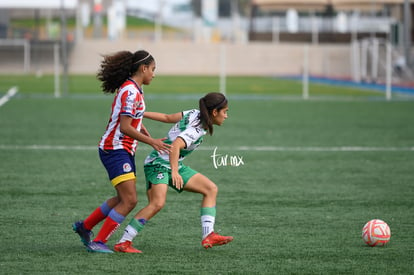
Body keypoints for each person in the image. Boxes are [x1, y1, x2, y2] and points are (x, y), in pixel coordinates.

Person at [72, 50, 171, 253]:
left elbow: (129, 119)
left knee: (121, 199)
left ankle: (85, 227)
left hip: (122, 150)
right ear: (143, 68)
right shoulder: (131, 91)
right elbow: (125, 127)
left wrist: (140, 125)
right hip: (115, 149)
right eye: (153, 69)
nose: (154, 74)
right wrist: (151, 141)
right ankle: (98, 241)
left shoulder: (134, 88)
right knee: (130, 200)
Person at [113, 92, 233, 253]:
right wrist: (175, 172)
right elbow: (176, 145)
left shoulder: (194, 113)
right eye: (225, 111)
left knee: (210, 189)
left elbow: (167, 117)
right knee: (157, 203)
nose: (226, 116)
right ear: (214, 112)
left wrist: (140, 113)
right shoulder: (197, 129)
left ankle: (208, 235)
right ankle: (124, 242)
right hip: (158, 165)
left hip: (172, 163)